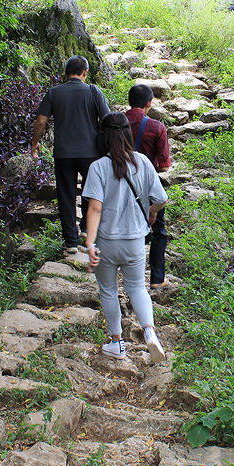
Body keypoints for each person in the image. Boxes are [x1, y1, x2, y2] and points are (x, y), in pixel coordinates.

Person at [81, 109, 168, 363]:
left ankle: (116, 343)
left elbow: (95, 207)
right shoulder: (142, 162)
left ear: (103, 137)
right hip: (135, 242)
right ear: (127, 135)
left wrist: (90, 243)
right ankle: (150, 333)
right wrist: (152, 212)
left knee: (108, 290)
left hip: (107, 242)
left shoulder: (98, 167)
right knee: (137, 287)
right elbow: (161, 199)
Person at [30, 55, 111, 254]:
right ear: (85, 72)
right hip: (90, 153)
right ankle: (86, 229)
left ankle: (70, 242)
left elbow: (41, 120)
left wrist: (35, 143)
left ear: (65, 73)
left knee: (66, 194)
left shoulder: (54, 93)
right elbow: (108, 119)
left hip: (63, 153)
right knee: (91, 191)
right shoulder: (93, 91)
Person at [125, 81, 174, 293]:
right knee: (159, 230)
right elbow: (164, 165)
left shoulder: (114, 123)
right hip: (146, 185)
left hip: (118, 179)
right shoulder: (156, 127)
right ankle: (156, 278)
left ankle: (126, 276)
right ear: (149, 103)